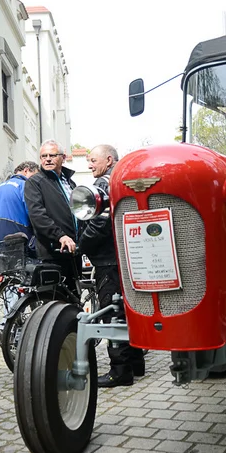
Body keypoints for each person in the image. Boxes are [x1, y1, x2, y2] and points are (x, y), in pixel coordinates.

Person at [78, 145, 145, 387]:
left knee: (112, 312)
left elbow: (99, 224)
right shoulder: (124, 179)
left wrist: (80, 245)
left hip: (108, 259)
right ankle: (136, 363)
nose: (89, 165)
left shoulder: (104, 184)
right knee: (129, 311)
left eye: (93, 160)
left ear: (108, 159)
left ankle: (120, 370)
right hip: (126, 257)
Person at [24, 141, 81, 289]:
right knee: (54, 303)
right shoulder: (35, 182)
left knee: (74, 299)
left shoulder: (70, 183)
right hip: (52, 251)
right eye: (44, 156)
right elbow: (37, 215)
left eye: (52, 155)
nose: (47, 159)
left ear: (63, 157)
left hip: (73, 250)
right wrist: (60, 236)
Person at [0, 161, 39, 244]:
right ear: (26, 171)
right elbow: (33, 214)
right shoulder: (26, 185)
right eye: (35, 176)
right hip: (18, 236)